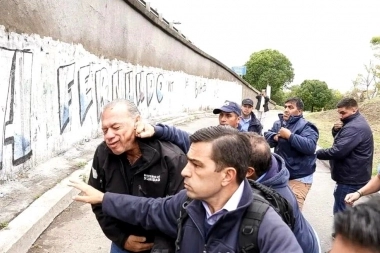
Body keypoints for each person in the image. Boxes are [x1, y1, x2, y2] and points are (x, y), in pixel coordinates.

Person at [70, 126, 303, 253]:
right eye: (188, 161)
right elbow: (148, 209)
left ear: (227, 175)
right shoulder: (187, 203)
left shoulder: (268, 228)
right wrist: (103, 198)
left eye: (196, 165)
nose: (184, 171)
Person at [135, 124, 320, 252]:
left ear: (244, 172)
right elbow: (198, 146)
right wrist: (158, 129)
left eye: (197, 165)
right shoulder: (254, 169)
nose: (186, 171)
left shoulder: (274, 207)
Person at [89, 99, 187, 253]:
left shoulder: (171, 158)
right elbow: (97, 200)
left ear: (137, 122)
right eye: (104, 130)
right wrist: (122, 239)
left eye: (116, 127)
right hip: (122, 245)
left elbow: (179, 214)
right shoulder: (103, 153)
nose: (109, 136)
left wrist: (159, 248)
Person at [316, 98, 374, 214]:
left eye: (343, 113)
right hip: (352, 175)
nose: (340, 116)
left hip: (350, 178)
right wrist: (336, 130)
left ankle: (342, 232)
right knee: (343, 208)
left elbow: (338, 151)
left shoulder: (354, 127)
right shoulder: (353, 123)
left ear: (354, 110)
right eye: (339, 113)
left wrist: (314, 153)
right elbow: (344, 142)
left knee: (341, 213)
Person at [264, 97, 319, 210]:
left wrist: (290, 136)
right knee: (277, 209)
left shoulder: (306, 126)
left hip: (299, 177)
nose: (286, 109)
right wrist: (275, 137)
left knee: (292, 213)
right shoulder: (278, 123)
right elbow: (267, 138)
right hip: (281, 175)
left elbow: (310, 147)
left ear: (299, 111)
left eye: (290, 107)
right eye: (285, 107)